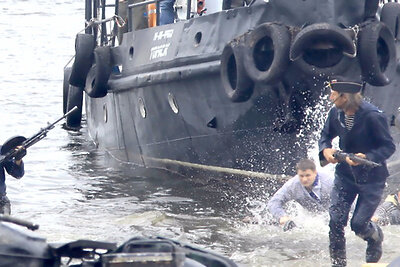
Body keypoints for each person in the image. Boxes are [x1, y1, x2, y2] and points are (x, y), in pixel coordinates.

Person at [319, 78, 396, 266]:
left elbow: (388, 147)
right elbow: (325, 136)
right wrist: (325, 150)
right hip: (345, 175)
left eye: (334, 95)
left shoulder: (373, 116)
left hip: (371, 179)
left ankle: (374, 236)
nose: (331, 97)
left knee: (358, 224)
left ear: (345, 97)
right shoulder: (335, 113)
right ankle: (338, 264)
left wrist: (367, 156)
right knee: (336, 221)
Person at [267, 159, 333, 230]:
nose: (304, 179)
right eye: (301, 176)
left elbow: (345, 197)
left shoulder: (330, 182)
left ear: (315, 173)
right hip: (315, 222)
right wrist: (281, 216)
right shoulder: (293, 185)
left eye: (308, 175)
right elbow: (273, 202)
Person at [0, 145, 26, 215]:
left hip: (1, 201)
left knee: (5, 224)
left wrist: (18, 159)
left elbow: (17, 174)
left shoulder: (2, 151)